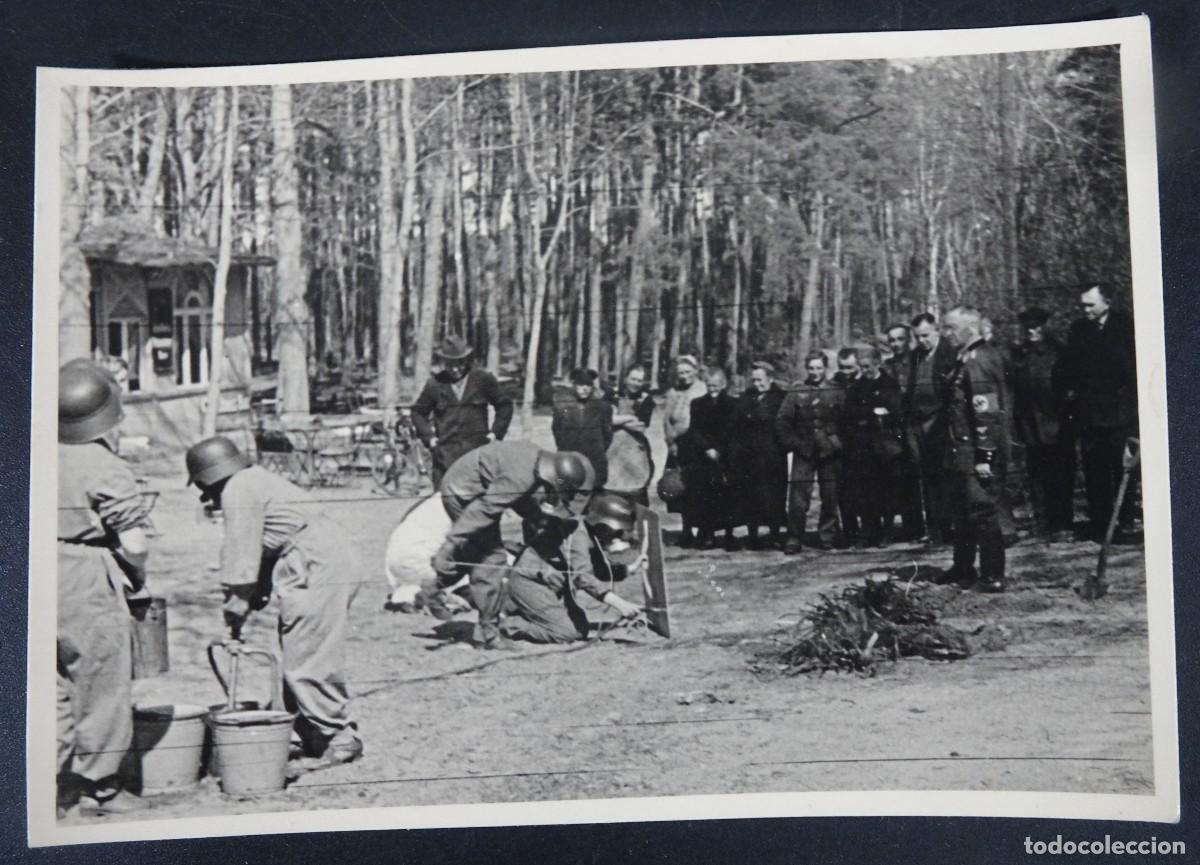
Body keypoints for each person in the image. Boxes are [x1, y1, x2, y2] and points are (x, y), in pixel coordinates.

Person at [184, 436, 364, 767]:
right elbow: (266, 543)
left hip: (315, 562)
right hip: (323, 553)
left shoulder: (237, 489)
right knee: (301, 646)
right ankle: (308, 730)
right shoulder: (254, 479)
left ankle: (338, 738)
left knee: (308, 654)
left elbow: (241, 553)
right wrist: (256, 593)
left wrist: (237, 603)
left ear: (208, 477)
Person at [57, 360, 152, 816]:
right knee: (100, 681)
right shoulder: (102, 463)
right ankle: (101, 786)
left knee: (48, 683)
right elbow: (134, 543)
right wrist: (136, 574)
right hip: (84, 575)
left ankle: (55, 785)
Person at [427, 441, 593, 649]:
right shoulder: (520, 479)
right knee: (491, 560)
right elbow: (482, 511)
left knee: (476, 554)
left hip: (483, 486)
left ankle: (433, 588)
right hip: (463, 494)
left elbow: (532, 507)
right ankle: (488, 635)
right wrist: (449, 545)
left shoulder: (538, 463)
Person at [501, 494, 644, 644]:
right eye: (615, 531)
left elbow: (599, 568)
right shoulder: (577, 534)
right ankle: (507, 624)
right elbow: (583, 577)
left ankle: (520, 610)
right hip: (529, 581)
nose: (617, 537)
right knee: (565, 633)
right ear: (602, 523)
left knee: (580, 630)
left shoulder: (590, 533)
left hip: (549, 583)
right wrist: (620, 604)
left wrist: (629, 569)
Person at [936, 307, 1010, 592]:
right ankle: (963, 567)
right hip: (960, 449)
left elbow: (986, 413)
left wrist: (985, 455)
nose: (947, 333)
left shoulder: (979, 361)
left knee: (982, 510)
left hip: (975, 450)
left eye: (951, 327)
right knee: (961, 511)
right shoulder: (964, 359)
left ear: (969, 328)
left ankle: (993, 575)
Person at [1063, 285, 1139, 540]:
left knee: (1122, 468)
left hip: (1119, 413)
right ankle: (1101, 523)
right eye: (1083, 305)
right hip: (1089, 413)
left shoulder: (1126, 326)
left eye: (1090, 305)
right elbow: (1070, 367)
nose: (1085, 310)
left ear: (1106, 302)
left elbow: (1134, 370)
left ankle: (1125, 521)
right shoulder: (1078, 330)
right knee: (1094, 469)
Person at [411, 335, 514, 488]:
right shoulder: (434, 384)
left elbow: (505, 405)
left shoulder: (483, 379)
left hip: (478, 459)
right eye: (449, 364)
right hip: (445, 459)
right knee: (442, 506)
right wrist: (430, 438)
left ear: (467, 359)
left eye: (459, 363)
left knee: (479, 506)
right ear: (443, 362)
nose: (455, 369)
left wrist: (495, 434)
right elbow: (417, 412)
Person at [1012, 307, 1075, 537]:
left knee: (1061, 474)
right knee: (1036, 475)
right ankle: (1042, 523)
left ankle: (1063, 524)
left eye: (1036, 326)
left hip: (1057, 422)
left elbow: (1070, 389)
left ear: (1045, 326)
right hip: (1030, 424)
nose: (1032, 331)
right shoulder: (1019, 354)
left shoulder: (1059, 352)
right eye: (1027, 326)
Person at [776, 351, 844, 554]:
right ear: (806, 369)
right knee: (798, 497)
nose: (815, 373)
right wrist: (794, 443)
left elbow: (846, 420)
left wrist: (837, 441)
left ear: (825, 368)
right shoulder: (797, 391)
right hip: (804, 451)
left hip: (829, 452)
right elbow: (782, 421)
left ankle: (827, 537)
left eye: (819, 368)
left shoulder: (837, 391)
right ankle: (794, 536)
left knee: (830, 495)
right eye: (811, 368)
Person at [843, 346, 905, 547]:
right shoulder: (857, 386)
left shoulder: (889, 383)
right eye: (861, 367)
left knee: (886, 489)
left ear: (877, 364)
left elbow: (896, 411)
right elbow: (849, 411)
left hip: (886, 444)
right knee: (865, 491)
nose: (864, 370)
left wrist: (872, 413)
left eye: (868, 366)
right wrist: (872, 411)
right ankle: (868, 531)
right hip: (863, 445)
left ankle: (886, 532)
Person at [907, 312, 957, 544]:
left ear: (937, 331)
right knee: (927, 477)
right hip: (919, 422)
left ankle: (950, 528)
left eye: (926, 335)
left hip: (940, 421)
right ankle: (935, 528)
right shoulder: (916, 355)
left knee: (945, 475)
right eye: (918, 337)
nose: (922, 341)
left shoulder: (950, 353)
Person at [728, 361, 789, 550]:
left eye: (760, 380)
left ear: (770, 379)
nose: (757, 384)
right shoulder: (747, 397)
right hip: (750, 456)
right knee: (751, 496)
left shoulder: (781, 397)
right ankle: (752, 534)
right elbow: (736, 425)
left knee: (775, 495)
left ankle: (775, 534)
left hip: (773, 455)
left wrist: (783, 447)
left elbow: (786, 424)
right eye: (754, 380)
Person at [678, 368, 737, 550]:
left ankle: (728, 534)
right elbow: (694, 430)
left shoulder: (733, 404)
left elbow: (732, 429)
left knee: (727, 495)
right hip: (703, 455)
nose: (713, 389)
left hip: (726, 455)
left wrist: (719, 450)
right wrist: (707, 448)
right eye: (710, 385)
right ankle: (707, 533)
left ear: (724, 385)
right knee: (705, 495)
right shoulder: (697, 404)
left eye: (716, 386)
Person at [885, 324, 924, 540]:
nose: (896, 344)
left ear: (908, 340)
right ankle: (912, 527)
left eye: (900, 339)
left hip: (917, 425)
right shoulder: (887, 367)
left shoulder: (918, 362)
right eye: (892, 340)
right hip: (895, 429)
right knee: (901, 477)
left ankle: (937, 527)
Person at [661, 355, 708, 536]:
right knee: (677, 486)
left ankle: (702, 528)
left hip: (694, 445)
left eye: (688, 371)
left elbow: (693, 420)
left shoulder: (701, 389)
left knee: (696, 487)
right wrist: (670, 441)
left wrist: (678, 436)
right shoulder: (673, 391)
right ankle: (686, 529)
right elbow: (666, 419)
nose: (684, 376)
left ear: (696, 371)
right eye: (681, 372)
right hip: (675, 446)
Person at [552, 368, 613, 490]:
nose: (584, 388)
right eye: (581, 384)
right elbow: (557, 430)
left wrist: (597, 448)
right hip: (569, 457)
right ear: (574, 385)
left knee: (594, 492)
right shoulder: (562, 405)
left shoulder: (602, 407)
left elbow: (607, 434)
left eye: (588, 385)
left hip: (595, 458)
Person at [607, 365, 657, 506]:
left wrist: (617, 419)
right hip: (613, 448)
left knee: (637, 488)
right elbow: (606, 419)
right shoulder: (612, 394)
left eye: (639, 381)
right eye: (633, 379)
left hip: (634, 448)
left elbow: (641, 427)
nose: (636, 383)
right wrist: (629, 417)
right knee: (612, 487)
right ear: (625, 378)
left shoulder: (646, 399)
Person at [832, 348, 862, 546]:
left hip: (862, 441)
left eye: (850, 367)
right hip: (841, 441)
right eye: (842, 367)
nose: (846, 371)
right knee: (843, 490)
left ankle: (870, 531)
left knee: (865, 487)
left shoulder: (864, 383)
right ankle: (850, 531)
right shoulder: (834, 384)